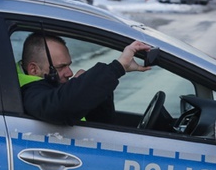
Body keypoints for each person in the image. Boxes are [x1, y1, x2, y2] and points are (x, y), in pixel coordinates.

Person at [19, 32, 152, 125]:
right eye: (60, 67)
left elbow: (102, 121)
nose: (69, 73)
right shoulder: (27, 93)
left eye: (69, 65)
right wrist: (118, 67)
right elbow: (60, 106)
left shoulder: (48, 88)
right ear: (33, 69)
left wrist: (85, 86)